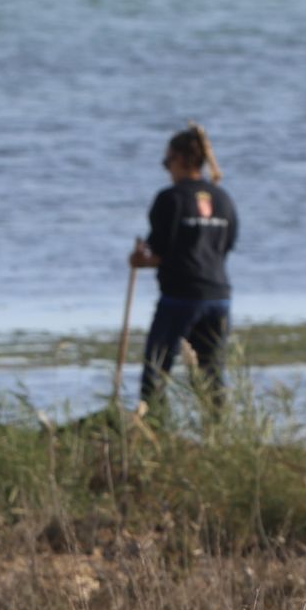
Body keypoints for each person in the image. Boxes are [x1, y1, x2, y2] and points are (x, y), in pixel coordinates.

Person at [130, 123, 238, 407]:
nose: (167, 168)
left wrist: (139, 260)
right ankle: (218, 432)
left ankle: (152, 426)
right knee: (211, 374)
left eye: (167, 161)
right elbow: (225, 246)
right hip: (219, 295)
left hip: (180, 297)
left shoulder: (170, 198)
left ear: (180, 159)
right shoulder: (223, 199)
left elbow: (160, 253)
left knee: (156, 369)